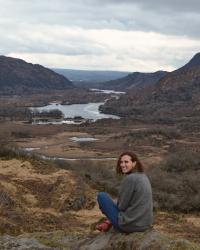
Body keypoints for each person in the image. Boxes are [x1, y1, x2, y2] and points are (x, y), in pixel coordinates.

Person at [96, 152, 153, 233]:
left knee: (102, 196)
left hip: (130, 226)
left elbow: (121, 207)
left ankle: (111, 223)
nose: (122, 165)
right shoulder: (143, 176)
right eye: (121, 162)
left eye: (126, 162)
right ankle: (108, 222)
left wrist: (110, 207)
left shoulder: (130, 179)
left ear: (134, 163)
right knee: (114, 203)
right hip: (145, 225)